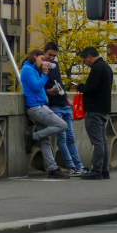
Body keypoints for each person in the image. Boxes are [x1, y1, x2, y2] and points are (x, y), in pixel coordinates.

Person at [22, 49, 69, 178]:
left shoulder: (33, 70)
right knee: (62, 125)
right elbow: (36, 86)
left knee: (46, 140)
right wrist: (45, 73)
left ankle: (53, 168)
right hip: (36, 107)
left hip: (41, 105)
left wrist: (49, 91)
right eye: (42, 59)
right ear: (34, 56)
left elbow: (39, 88)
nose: (43, 62)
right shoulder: (27, 69)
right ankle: (34, 137)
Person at [43, 43, 85, 176]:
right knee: (62, 137)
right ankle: (71, 166)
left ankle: (78, 165)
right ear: (44, 53)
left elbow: (59, 83)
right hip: (54, 106)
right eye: (49, 55)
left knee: (71, 137)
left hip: (64, 104)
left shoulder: (55, 66)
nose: (51, 58)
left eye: (54, 55)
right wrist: (50, 92)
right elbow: (41, 87)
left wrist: (67, 99)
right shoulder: (41, 67)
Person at [76, 46, 115, 179]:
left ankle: (97, 170)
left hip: (94, 108)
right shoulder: (107, 67)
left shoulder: (97, 68)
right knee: (103, 140)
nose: (85, 63)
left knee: (97, 142)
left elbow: (90, 88)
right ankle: (104, 170)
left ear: (90, 56)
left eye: (85, 60)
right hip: (104, 108)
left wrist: (79, 87)